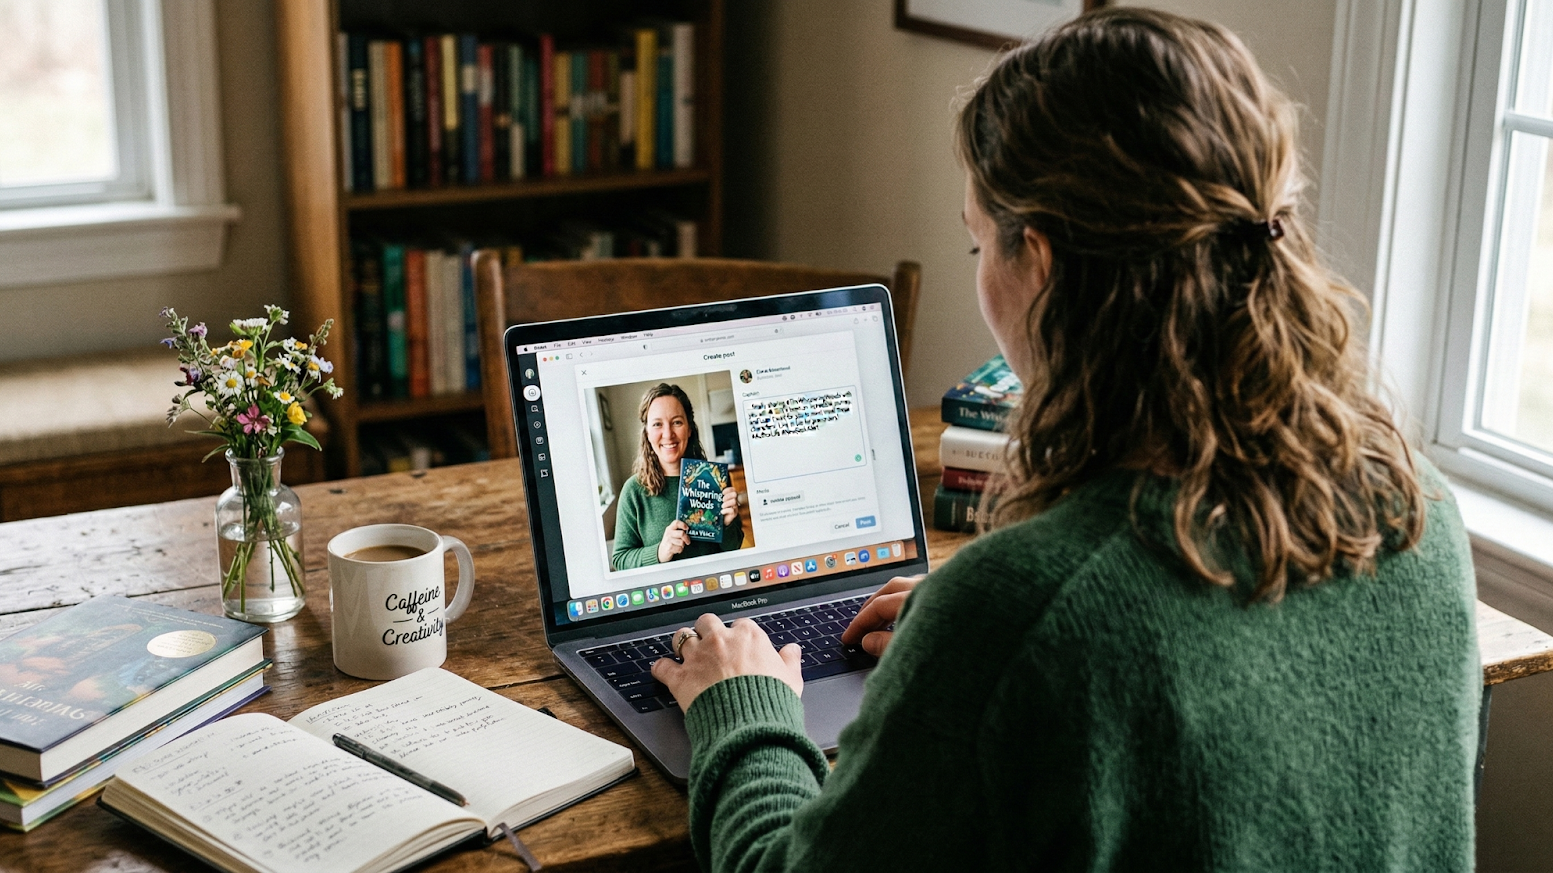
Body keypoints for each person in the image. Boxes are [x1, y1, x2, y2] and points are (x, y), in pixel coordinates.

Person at [651, 7, 1480, 872]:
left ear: (1037, 262)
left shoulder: (1020, 609)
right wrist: (965, 657)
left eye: (977, 242)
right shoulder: (1418, 508)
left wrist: (742, 705)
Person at [611, 383, 743, 570]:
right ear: (647, 433)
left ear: (689, 428)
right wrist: (660, 551)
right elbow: (620, 560)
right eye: (657, 424)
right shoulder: (633, 491)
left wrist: (727, 525)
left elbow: (734, 547)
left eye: (677, 422)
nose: (668, 434)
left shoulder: (714, 480)